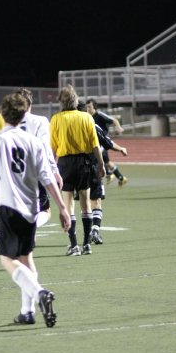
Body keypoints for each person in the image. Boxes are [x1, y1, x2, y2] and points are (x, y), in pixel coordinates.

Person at [0, 93, 71, 327]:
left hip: (7, 207)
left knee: (6, 259)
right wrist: (62, 208)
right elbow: (47, 178)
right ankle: (26, 312)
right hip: (31, 208)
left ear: (2, 114)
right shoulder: (35, 142)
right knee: (26, 258)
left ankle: (40, 292)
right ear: (23, 115)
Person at [50, 84, 105, 256]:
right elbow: (95, 145)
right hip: (84, 162)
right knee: (86, 202)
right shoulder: (86, 117)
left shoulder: (56, 119)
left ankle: (73, 245)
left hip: (65, 164)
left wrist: (52, 167)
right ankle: (86, 244)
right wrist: (101, 165)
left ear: (61, 102)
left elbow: (53, 148)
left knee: (68, 205)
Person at [14, 87, 63, 227]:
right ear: (30, 104)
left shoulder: (9, 123)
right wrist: (54, 170)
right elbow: (45, 148)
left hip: (14, 171)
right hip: (34, 171)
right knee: (45, 210)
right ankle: (31, 227)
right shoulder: (40, 121)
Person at [85, 98, 128, 186]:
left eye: (89, 107)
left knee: (96, 156)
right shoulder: (87, 117)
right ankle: (121, 178)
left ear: (94, 107)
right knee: (107, 162)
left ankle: (108, 174)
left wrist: (118, 127)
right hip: (96, 143)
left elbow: (114, 120)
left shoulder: (100, 115)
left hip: (103, 142)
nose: (88, 109)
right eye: (87, 107)